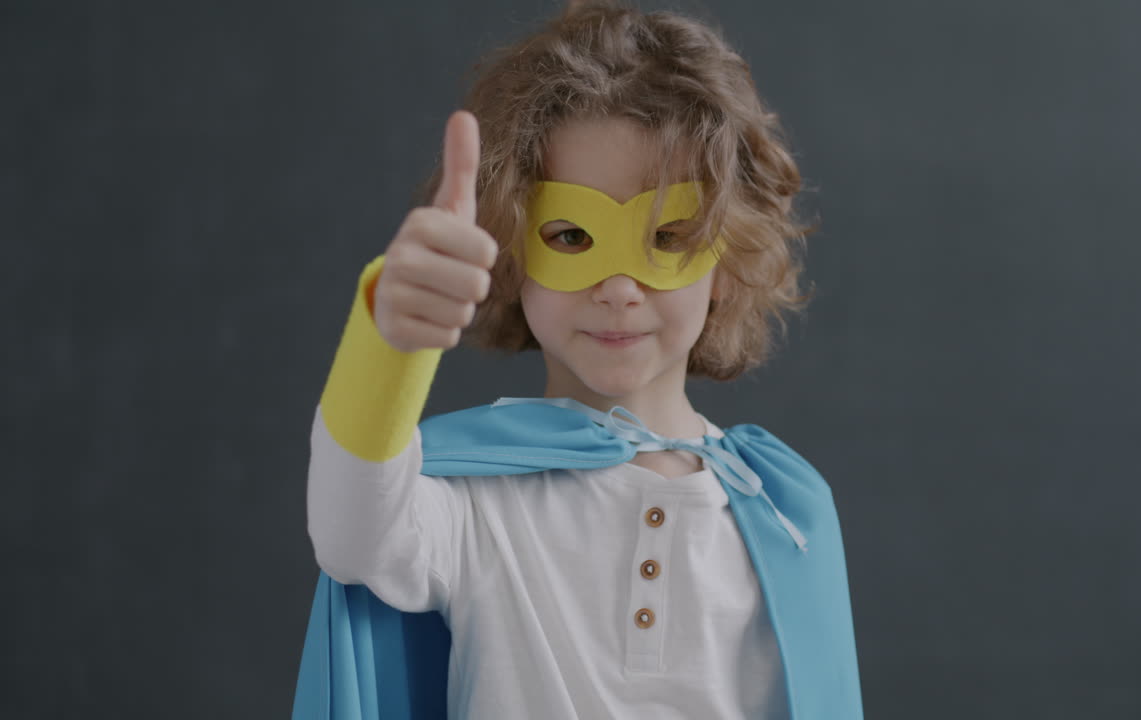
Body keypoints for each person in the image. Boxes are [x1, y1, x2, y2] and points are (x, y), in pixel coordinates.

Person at [294, 2, 863, 718]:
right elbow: (352, 535)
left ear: (727, 258)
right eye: (570, 236)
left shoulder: (782, 513)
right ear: (511, 246)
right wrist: (388, 343)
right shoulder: (473, 502)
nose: (619, 289)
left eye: (669, 235)